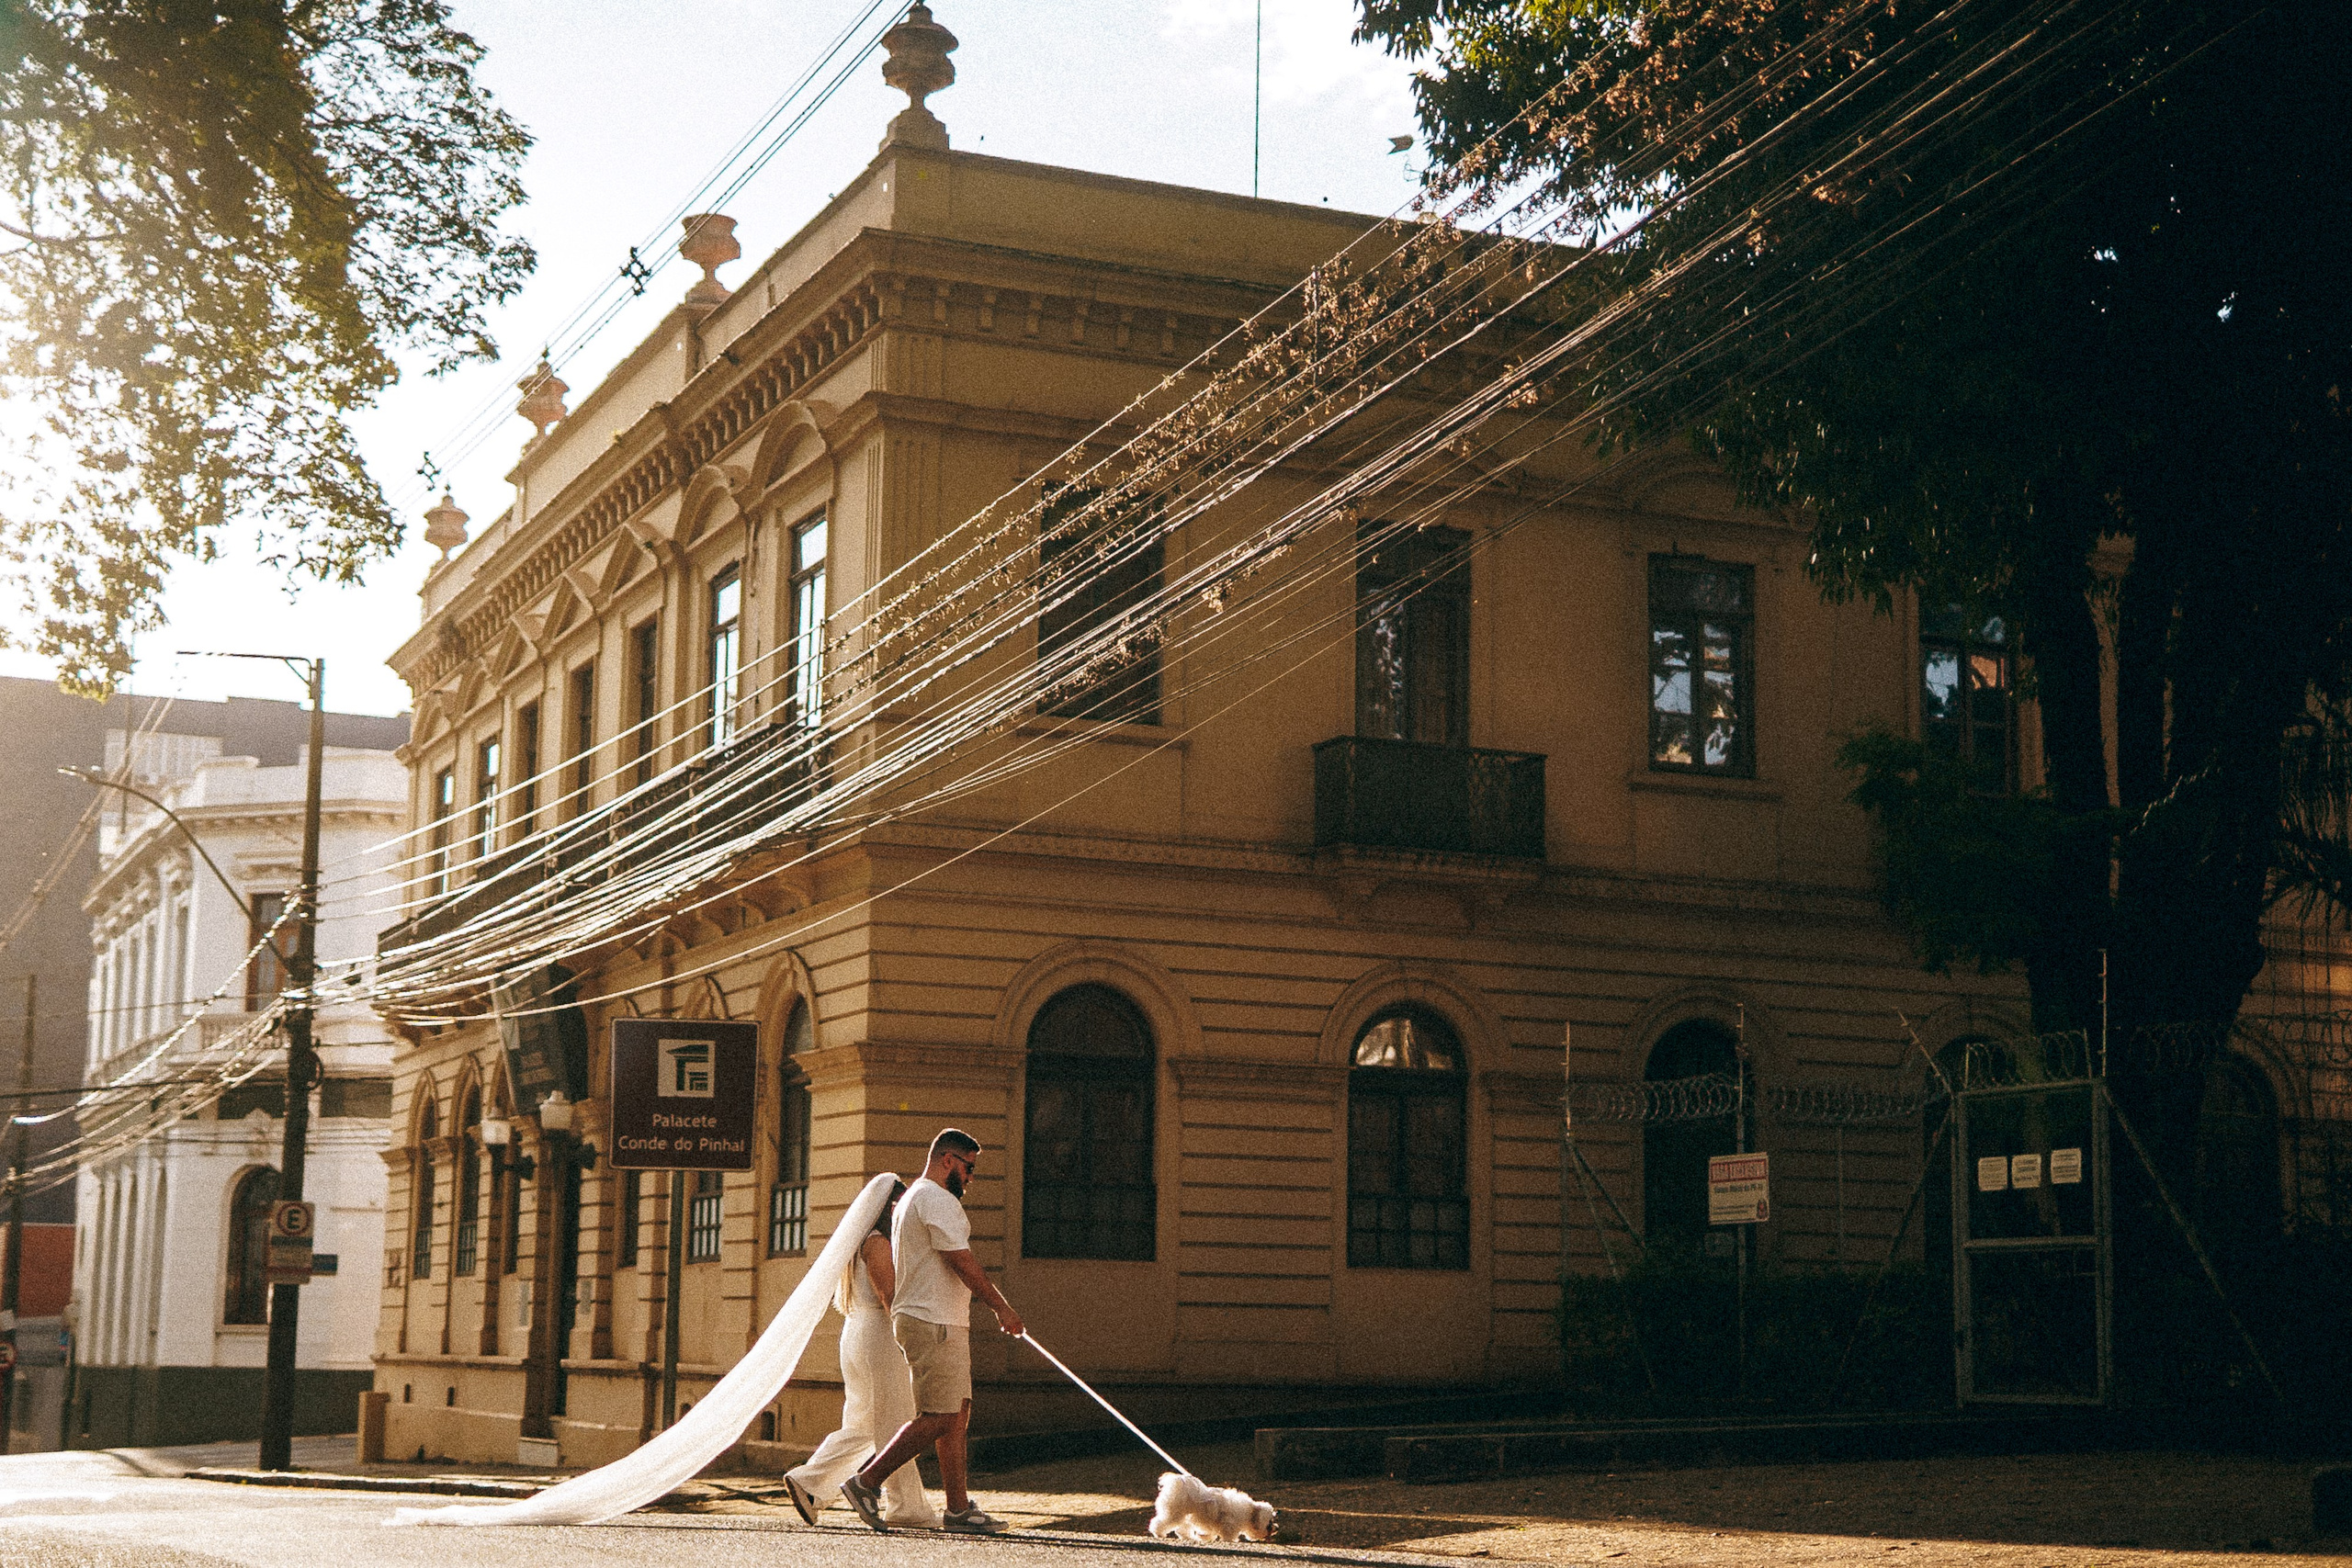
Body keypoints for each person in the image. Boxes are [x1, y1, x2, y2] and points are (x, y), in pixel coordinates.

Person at [841, 1128, 1024, 1534]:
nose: (971, 1177)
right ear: (947, 1160)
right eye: (969, 1168)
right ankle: (865, 1483)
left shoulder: (913, 1198)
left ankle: (957, 1509)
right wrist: (1001, 1307)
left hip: (941, 1319)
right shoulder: (936, 1198)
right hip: (932, 1320)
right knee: (940, 1414)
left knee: (956, 1414)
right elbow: (961, 1259)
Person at [781, 1179, 939, 1529]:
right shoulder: (877, 1242)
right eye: (897, 1204)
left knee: (864, 1425)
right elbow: (889, 1296)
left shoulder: (860, 1244)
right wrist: (912, 1339)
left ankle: (809, 1482)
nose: (901, 1210)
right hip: (879, 1338)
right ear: (884, 1208)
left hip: (858, 1335)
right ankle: (906, 1507)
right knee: (896, 1423)